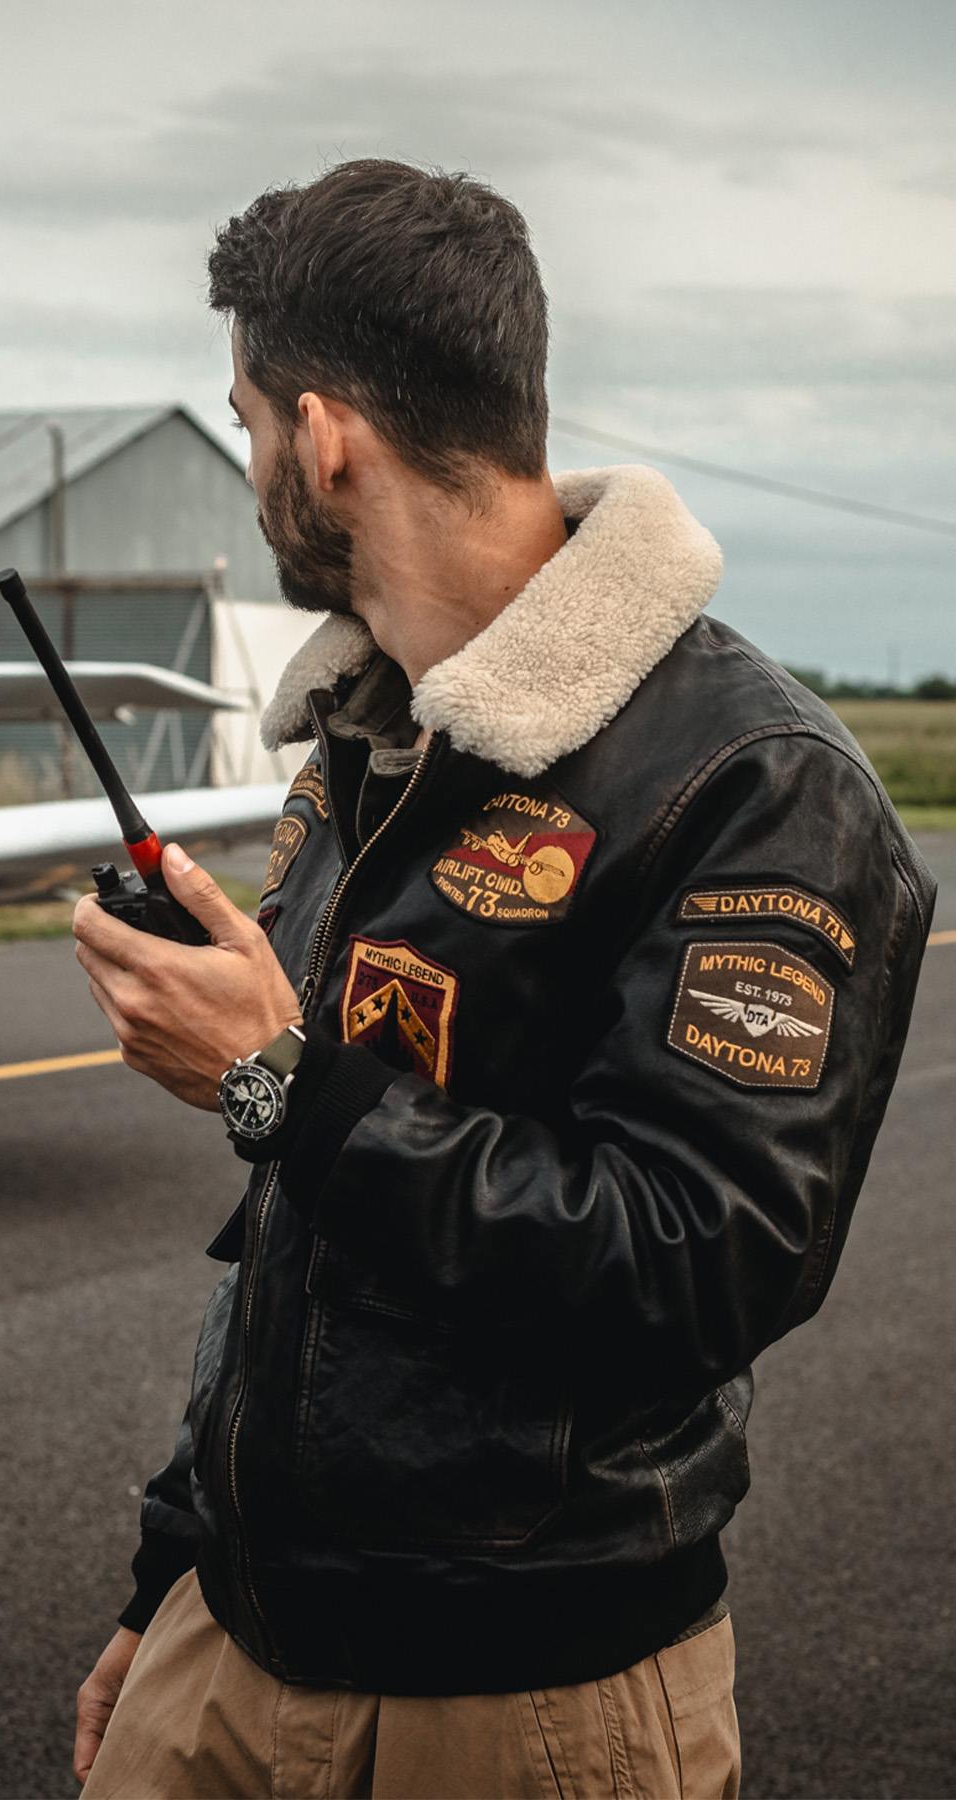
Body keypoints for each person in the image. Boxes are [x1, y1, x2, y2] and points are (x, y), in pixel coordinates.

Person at [69, 160, 936, 1798]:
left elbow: (703, 1265)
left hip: (530, 1705)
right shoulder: (363, 740)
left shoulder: (758, 784)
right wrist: (174, 1568)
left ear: (325, 436)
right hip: (235, 1647)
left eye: (249, 420)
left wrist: (281, 1082)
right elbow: (295, 1239)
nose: (253, 464)